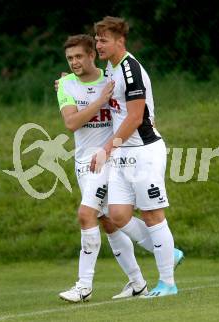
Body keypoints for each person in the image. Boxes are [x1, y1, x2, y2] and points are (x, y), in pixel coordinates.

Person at [56, 34, 162, 302]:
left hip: (108, 158)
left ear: (92, 55)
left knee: (85, 214)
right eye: (70, 58)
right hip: (83, 161)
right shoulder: (65, 84)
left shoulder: (112, 78)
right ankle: (139, 281)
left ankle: (83, 286)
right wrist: (100, 101)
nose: (74, 62)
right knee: (108, 221)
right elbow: (72, 123)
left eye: (79, 56)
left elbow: (137, 108)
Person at [91, 16, 181, 298]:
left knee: (153, 215)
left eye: (104, 39)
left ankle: (167, 282)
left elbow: (135, 116)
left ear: (120, 41)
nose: (98, 44)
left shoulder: (131, 70)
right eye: (97, 39)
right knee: (116, 214)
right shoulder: (110, 68)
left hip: (143, 152)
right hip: (123, 152)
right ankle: (170, 251)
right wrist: (66, 85)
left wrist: (107, 148)